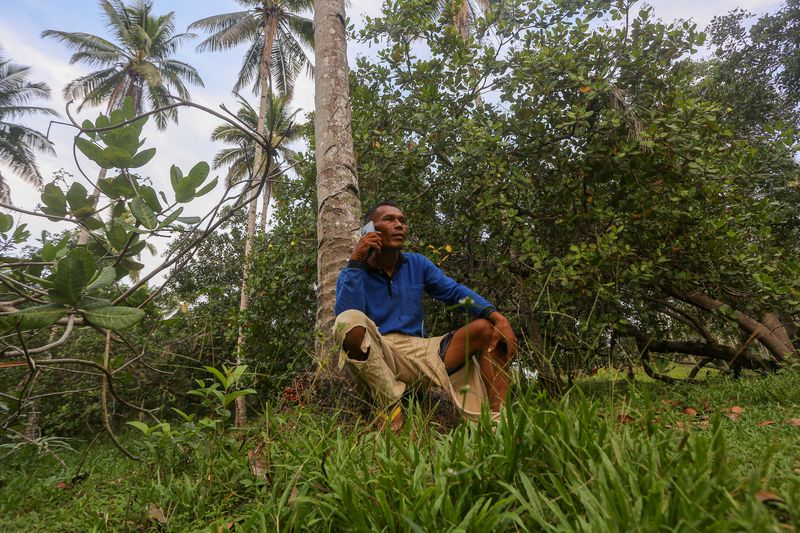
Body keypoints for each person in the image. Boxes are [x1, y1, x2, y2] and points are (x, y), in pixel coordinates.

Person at [333, 201, 518, 430]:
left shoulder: (417, 263)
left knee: (486, 329)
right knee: (346, 321)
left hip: (422, 350)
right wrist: (356, 262)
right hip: (381, 350)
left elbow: (453, 292)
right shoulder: (353, 272)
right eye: (389, 219)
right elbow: (347, 323)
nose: (399, 225)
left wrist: (496, 315)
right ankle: (390, 406)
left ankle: (500, 422)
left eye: (403, 220)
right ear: (370, 229)